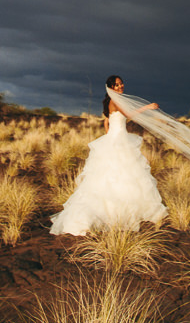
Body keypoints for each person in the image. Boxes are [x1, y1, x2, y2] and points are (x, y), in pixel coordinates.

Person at [49, 76, 168, 236]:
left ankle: (119, 210)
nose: (121, 86)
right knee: (120, 174)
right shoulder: (115, 101)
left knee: (119, 174)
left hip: (116, 138)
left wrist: (109, 135)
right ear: (111, 87)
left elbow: (106, 121)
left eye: (121, 83)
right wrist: (148, 107)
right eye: (117, 84)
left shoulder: (110, 102)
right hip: (118, 140)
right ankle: (112, 214)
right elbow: (129, 114)